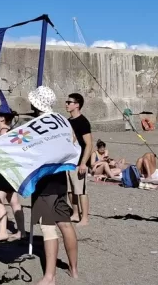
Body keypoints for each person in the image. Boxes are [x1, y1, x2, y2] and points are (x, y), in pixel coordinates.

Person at [28, 86, 78, 285]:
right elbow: (73, 142)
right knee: (65, 223)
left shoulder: (38, 123)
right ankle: (73, 270)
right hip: (60, 177)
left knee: (48, 227)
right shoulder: (62, 120)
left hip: (45, 179)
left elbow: (31, 150)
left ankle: (50, 277)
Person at [0, 110, 25, 242]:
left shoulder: (3, 132)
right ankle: (21, 231)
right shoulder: (13, 131)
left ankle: (3, 232)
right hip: (12, 170)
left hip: (4, 170)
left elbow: (2, 154)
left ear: (2, 118)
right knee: (14, 201)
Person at [65, 93, 92, 226]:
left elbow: (88, 144)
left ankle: (85, 217)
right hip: (69, 161)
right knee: (70, 190)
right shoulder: (68, 121)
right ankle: (75, 213)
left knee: (81, 190)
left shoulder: (83, 122)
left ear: (77, 104)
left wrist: (83, 163)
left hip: (79, 161)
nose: (66, 104)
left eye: (69, 102)